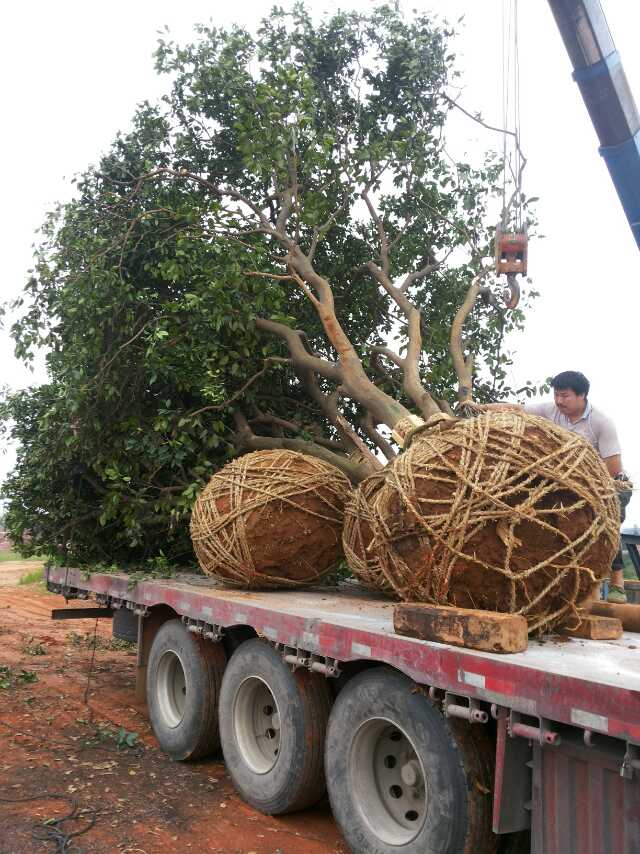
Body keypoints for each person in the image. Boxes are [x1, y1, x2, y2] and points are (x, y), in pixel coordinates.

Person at [485, 370, 631, 603]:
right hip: (568, 481)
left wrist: (583, 482)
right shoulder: (550, 411)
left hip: (607, 484)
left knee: (607, 524)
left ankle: (616, 582)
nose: (559, 401)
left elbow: (612, 470)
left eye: (565, 396)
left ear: (582, 395)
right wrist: (482, 408)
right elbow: (516, 409)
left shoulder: (602, 424)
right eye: (556, 395)